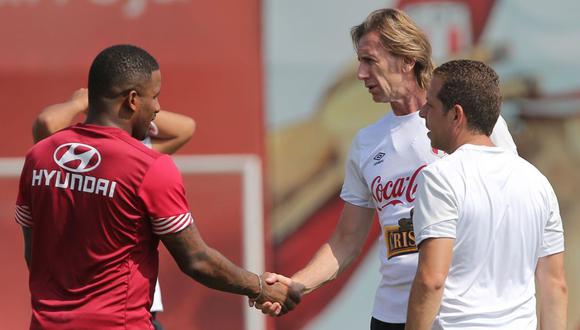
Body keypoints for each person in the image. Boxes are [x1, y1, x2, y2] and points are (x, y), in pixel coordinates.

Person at [254, 8, 517, 329]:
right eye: (359, 62)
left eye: (370, 61)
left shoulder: (474, 122)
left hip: (465, 314)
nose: (361, 73)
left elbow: (514, 209)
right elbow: (346, 239)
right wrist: (298, 283)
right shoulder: (366, 141)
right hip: (392, 315)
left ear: (406, 60)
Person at [14, 44, 299, 329]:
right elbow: (197, 260)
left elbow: (33, 252)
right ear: (133, 100)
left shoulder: (39, 157)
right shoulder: (150, 167)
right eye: (155, 96)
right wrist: (260, 286)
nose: (158, 107)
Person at [406, 59, 567, 330]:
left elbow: (431, 279)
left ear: (456, 115)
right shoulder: (538, 182)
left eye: (430, 105)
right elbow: (555, 285)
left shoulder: (440, 177)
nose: (422, 113)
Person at [31, 88, 196, 329]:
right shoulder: (64, 152)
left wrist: (123, 106)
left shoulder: (138, 160)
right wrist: (81, 103)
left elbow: (186, 127)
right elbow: (46, 123)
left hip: (135, 307)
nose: (157, 106)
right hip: (96, 311)